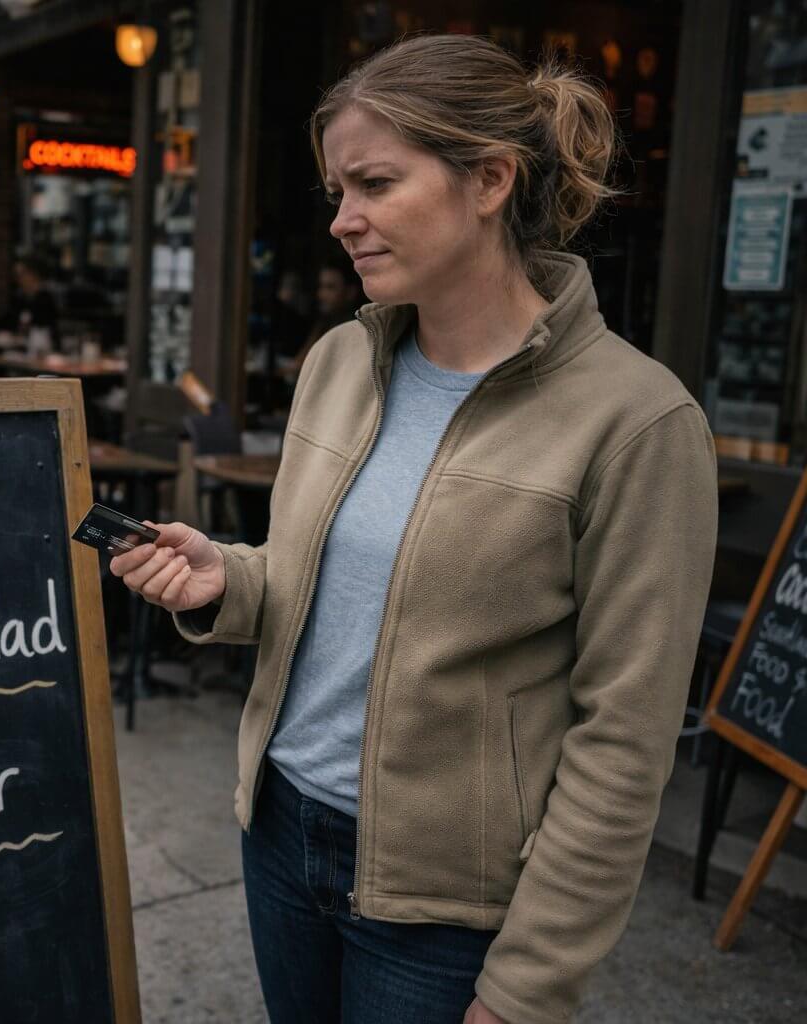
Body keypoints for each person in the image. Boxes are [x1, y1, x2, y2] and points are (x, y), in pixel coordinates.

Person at [110, 34, 716, 1024]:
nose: (342, 220)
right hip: (281, 834)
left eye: (376, 184)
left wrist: (528, 986)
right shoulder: (339, 362)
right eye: (337, 191)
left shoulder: (638, 422)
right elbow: (325, 583)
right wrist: (229, 578)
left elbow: (625, 741)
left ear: (490, 180)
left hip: (445, 907)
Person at [0, 256, 58, 334]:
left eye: (22, 274)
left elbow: (46, 325)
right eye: (16, 275)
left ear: (33, 274)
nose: (18, 279)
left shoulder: (45, 298)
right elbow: (8, 321)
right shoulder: (19, 298)